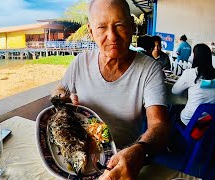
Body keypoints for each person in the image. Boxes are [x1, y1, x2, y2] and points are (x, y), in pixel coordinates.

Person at [51, 0, 169, 179]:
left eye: (119, 25)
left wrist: (139, 151)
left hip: (122, 162)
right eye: (102, 27)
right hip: (78, 156)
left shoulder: (149, 69)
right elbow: (60, 89)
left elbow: (160, 125)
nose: (112, 36)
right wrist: (61, 99)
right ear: (91, 32)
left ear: (131, 26)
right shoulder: (80, 62)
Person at [172, 43, 215, 125]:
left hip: (190, 121)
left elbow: (175, 91)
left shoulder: (191, 73)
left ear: (195, 56)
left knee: (175, 109)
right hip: (209, 122)